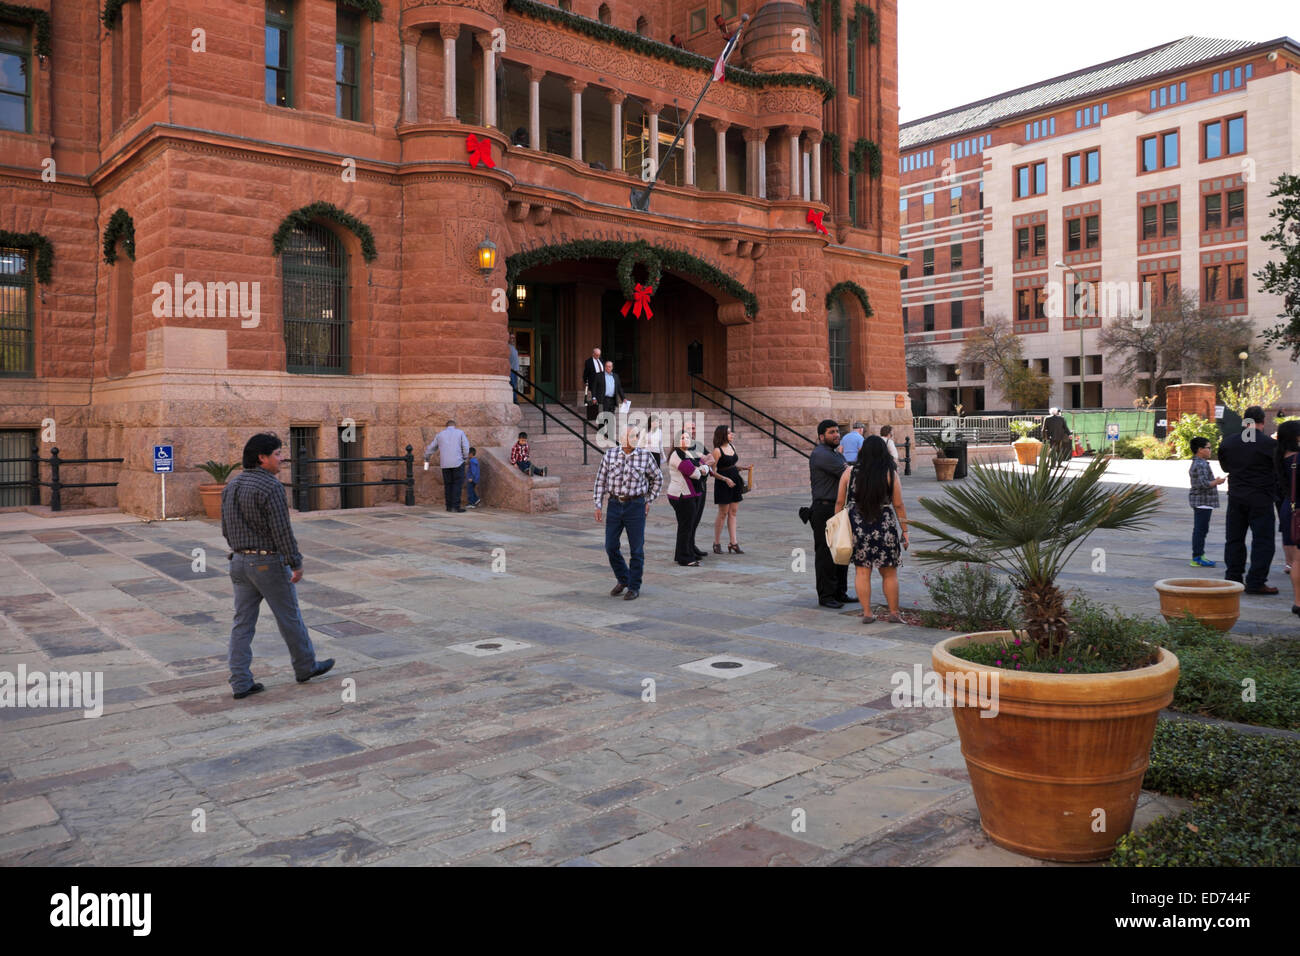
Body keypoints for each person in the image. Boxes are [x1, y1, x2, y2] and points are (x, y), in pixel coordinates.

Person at [221, 433, 334, 699]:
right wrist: (296, 562)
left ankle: (240, 681)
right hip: (267, 562)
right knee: (289, 616)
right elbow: (282, 530)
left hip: (238, 561)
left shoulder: (231, 485)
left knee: (242, 623)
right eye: (277, 454)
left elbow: (226, 528)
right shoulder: (270, 487)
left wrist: (242, 550)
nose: (282, 459)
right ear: (262, 458)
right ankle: (305, 666)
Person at [836, 434, 909, 623]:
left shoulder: (849, 472)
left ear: (863, 451)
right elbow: (899, 504)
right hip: (884, 524)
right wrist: (905, 531)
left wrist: (837, 526)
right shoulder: (890, 473)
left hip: (857, 525)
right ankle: (894, 613)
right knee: (889, 572)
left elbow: (839, 502)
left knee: (862, 571)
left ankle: (867, 613)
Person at [593, 425, 662, 601]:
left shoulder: (645, 456)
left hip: (635, 505)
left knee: (636, 549)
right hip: (615, 504)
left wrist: (649, 500)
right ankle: (623, 578)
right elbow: (600, 480)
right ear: (622, 437)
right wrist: (598, 504)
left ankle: (634, 586)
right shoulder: (610, 455)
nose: (631, 438)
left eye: (635, 436)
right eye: (628, 435)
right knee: (610, 546)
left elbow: (657, 478)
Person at [1218, 405, 1279, 594]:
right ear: (1263, 421)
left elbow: (1226, 467)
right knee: (1263, 541)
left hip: (1236, 497)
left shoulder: (1228, 442)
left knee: (1234, 539)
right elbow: (1278, 471)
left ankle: (1233, 578)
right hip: (1261, 499)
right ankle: (1256, 581)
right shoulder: (1269, 444)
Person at [809, 419, 853, 609]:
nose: (836, 435)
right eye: (831, 432)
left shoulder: (833, 453)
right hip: (824, 509)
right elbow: (850, 473)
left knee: (842, 551)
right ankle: (826, 596)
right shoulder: (822, 454)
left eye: (837, 431)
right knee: (826, 554)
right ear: (821, 436)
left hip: (838, 507)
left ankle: (840, 592)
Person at [667, 431, 709, 566]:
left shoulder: (689, 453)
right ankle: (685, 558)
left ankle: (686, 553)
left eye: (688, 438)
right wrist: (703, 469)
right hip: (681, 495)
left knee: (688, 525)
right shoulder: (677, 455)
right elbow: (694, 474)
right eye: (683, 437)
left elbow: (705, 465)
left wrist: (704, 468)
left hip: (690, 494)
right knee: (686, 526)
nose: (686, 440)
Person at [1274, 420, 1300, 615]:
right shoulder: (1298, 458)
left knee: (1296, 560)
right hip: (1298, 508)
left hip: (1288, 508)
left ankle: (1298, 601)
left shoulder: (1279, 456)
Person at [1187, 436, 1225, 567]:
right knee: (1200, 530)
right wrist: (1217, 482)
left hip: (1203, 501)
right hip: (1202, 501)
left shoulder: (1199, 462)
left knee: (1201, 529)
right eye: (1208, 448)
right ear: (1200, 450)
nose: (1210, 450)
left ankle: (1199, 555)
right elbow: (1204, 484)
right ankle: (1197, 557)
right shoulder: (1200, 464)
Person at [424, 419, 470, 512]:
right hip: (458, 462)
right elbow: (466, 446)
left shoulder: (440, 435)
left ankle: (448, 506)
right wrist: (465, 457)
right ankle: (455, 506)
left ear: (446, 426)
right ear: (455, 425)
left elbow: (431, 448)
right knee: (457, 485)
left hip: (445, 464)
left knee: (448, 485)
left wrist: (426, 458)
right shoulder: (460, 433)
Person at [711, 424, 744, 554]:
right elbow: (712, 471)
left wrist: (742, 468)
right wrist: (725, 479)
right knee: (723, 513)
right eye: (729, 433)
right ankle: (716, 542)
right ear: (723, 435)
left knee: (733, 512)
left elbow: (732, 465)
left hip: (735, 482)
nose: (732, 434)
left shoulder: (732, 446)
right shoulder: (717, 451)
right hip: (723, 483)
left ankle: (733, 543)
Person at [684, 421, 711, 560]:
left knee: (697, 517)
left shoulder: (698, 444)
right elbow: (689, 465)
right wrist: (703, 464)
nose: (693, 430)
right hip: (689, 487)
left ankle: (692, 544)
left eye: (694, 428)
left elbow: (711, 458)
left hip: (701, 485)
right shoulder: (682, 446)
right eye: (690, 428)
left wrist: (703, 464)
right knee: (690, 519)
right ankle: (687, 547)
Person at [508, 334, 521, 404]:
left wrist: (517, 370)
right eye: (511, 338)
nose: (513, 339)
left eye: (514, 338)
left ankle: (515, 400)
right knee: (512, 385)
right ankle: (514, 400)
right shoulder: (507, 347)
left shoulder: (514, 348)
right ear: (508, 339)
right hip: (511, 370)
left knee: (515, 385)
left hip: (515, 370)